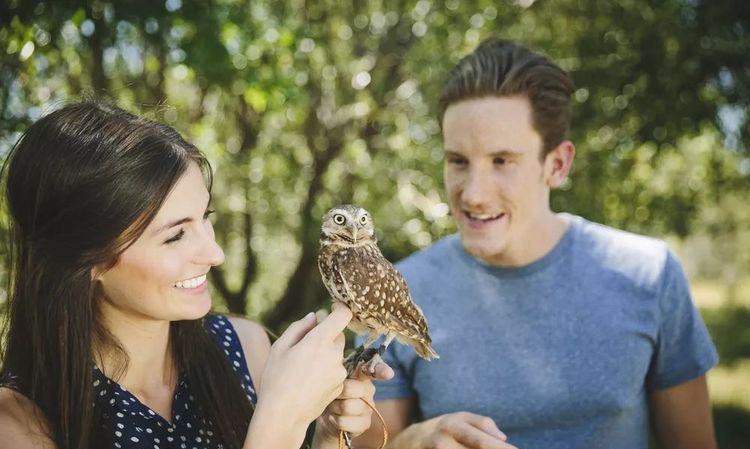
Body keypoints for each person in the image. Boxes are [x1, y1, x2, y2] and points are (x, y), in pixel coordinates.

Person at [354, 39, 719, 449]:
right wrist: (416, 441)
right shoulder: (396, 292)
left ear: (557, 165)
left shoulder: (648, 274)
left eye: (502, 161)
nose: (473, 194)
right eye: (458, 161)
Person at [0, 101, 392, 449]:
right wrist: (280, 422)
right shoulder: (17, 424)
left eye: (205, 217)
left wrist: (326, 436)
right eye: (175, 236)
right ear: (89, 260)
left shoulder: (246, 347)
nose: (215, 255)